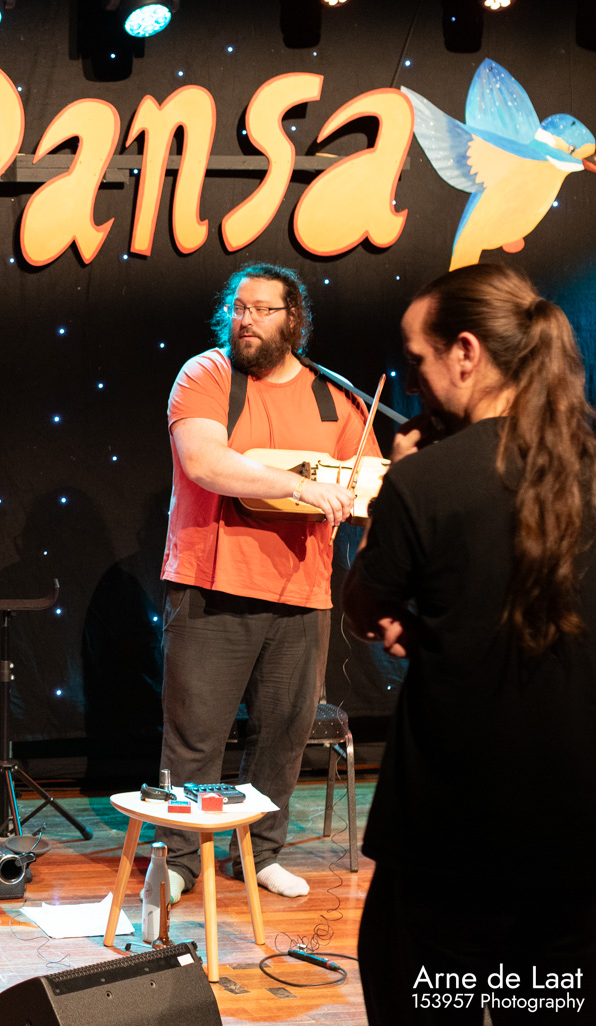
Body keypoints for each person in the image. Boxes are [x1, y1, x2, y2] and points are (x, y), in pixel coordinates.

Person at [344, 264, 596, 1024]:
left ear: (465, 352)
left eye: (417, 360)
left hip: (453, 827)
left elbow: (365, 605)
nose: (413, 382)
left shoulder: (424, 481)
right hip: (576, 828)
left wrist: (398, 492)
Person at [158, 262, 380, 903]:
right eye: (239, 307)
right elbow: (205, 462)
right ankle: (178, 859)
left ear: (294, 320)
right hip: (212, 584)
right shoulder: (206, 375)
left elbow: (366, 485)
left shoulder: (335, 398)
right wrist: (299, 486)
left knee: (283, 733)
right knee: (195, 736)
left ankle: (260, 854)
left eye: (261, 310)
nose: (246, 320)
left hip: (301, 592)